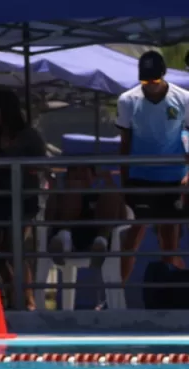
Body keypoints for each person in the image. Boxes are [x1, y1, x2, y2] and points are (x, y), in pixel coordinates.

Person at [116, 50, 189, 282]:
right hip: (140, 176)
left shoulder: (183, 98)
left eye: (155, 80)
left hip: (173, 177)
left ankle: (171, 292)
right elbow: (125, 143)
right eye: (145, 81)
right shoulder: (128, 100)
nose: (150, 85)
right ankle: (116, 293)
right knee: (131, 239)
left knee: (169, 243)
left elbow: (188, 136)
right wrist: (124, 182)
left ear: (163, 75)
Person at [0, 90, 47, 306]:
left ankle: (25, 298)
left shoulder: (29, 136)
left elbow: (41, 163)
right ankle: (14, 295)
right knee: (0, 251)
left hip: (22, 199)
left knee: (14, 247)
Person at [46, 154, 126, 272]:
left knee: (111, 191)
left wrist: (109, 182)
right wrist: (53, 190)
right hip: (65, 241)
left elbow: (123, 219)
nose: (79, 174)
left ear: (93, 176)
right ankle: (64, 240)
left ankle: (101, 242)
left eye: (84, 170)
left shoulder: (100, 197)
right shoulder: (61, 194)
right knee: (74, 188)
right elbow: (48, 218)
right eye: (74, 170)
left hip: (95, 239)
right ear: (67, 176)